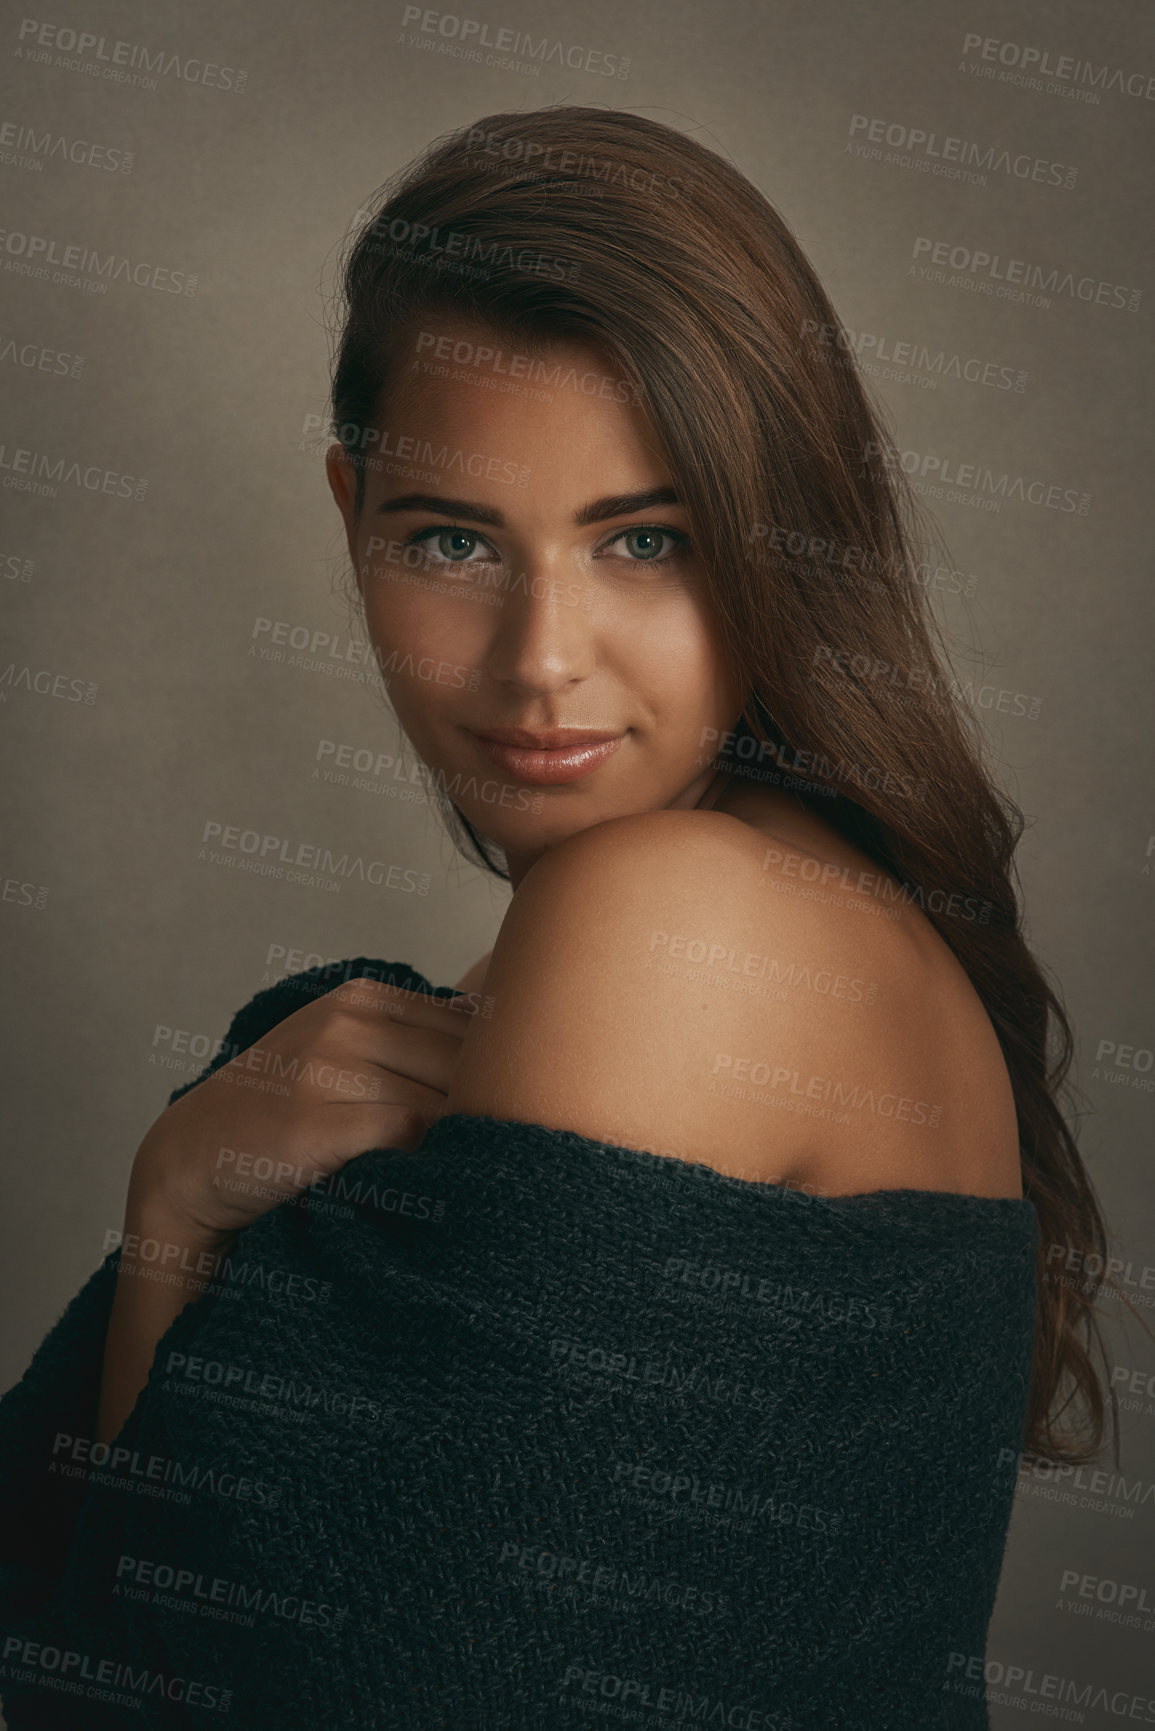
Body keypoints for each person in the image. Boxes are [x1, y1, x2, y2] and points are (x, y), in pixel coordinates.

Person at [0, 104, 1136, 1728]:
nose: (542, 657)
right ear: (348, 518)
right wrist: (180, 1194)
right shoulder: (797, 914)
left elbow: (223, 1680)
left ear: (778, 540)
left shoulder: (669, 925)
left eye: (645, 542)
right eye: (451, 539)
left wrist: (178, 1226)